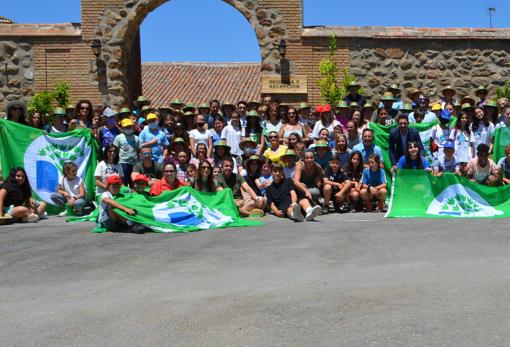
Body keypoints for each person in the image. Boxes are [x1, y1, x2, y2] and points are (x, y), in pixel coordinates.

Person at [114, 118, 140, 186]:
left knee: (133, 181)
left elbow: (139, 150)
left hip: (134, 163)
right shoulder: (118, 137)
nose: (128, 128)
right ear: (122, 128)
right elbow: (115, 149)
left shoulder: (136, 138)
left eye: (130, 127)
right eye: (126, 127)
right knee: (123, 180)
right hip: (123, 162)